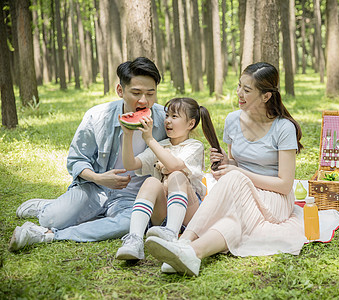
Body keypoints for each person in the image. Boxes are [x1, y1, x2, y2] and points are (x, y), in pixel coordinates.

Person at [145, 62, 307, 276]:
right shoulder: (232, 120)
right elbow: (235, 164)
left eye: (247, 90)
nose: (239, 93)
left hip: (274, 199)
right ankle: (191, 253)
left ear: (266, 96)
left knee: (233, 185)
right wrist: (225, 164)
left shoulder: (283, 127)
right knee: (232, 221)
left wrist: (238, 173)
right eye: (239, 86)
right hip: (242, 191)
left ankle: (181, 240)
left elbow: (285, 185)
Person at [9, 57, 167, 251]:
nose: (144, 101)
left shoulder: (165, 119)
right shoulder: (97, 116)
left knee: (130, 225)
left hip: (132, 199)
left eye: (150, 94)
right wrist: (99, 178)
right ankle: (46, 207)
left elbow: (181, 151)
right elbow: (76, 160)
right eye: (136, 93)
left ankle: (49, 235)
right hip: (95, 189)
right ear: (120, 90)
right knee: (51, 218)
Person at [115, 97, 220, 262]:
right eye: (167, 116)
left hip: (189, 216)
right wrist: (128, 135)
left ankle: (172, 233)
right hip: (162, 216)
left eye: (175, 116)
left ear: (190, 124)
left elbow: (174, 165)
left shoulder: (194, 146)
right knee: (150, 182)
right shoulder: (162, 145)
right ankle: (134, 240)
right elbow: (131, 164)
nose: (168, 121)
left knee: (176, 174)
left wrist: (149, 139)